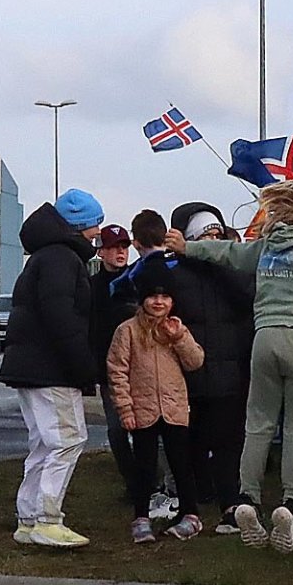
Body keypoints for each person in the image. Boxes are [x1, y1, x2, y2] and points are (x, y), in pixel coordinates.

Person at [165, 173, 293, 554]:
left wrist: (187, 248)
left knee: (258, 421)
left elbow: (228, 253)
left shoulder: (267, 244)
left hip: (263, 337)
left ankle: (247, 498)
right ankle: (290, 502)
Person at [0, 188, 103, 548]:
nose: (97, 233)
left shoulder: (44, 256)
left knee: (43, 444)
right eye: (95, 225)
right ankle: (46, 519)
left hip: (31, 367)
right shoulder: (63, 259)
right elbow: (62, 317)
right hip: (52, 369)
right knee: (68, 440)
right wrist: (84, 366)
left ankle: (28, 518)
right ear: (80, 226)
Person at [169, 202, 254, 534]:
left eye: (218, 234)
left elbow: (248, 299)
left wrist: (223, 263)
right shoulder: (175, 274)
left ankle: (231, 505)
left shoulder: (234, 270)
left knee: (228, 443)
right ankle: (192, 501)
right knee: (189, 442)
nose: (214, 240)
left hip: (231, 374)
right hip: (189, 374)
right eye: (206, 236)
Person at [106, 259, 204, 543]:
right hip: (142, 409)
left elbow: (195, 361)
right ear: (142, 299)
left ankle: (190, 514)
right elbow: (117, 371)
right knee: (144, 467)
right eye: (152, 296)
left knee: (181, 464)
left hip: (174, 408)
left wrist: (180, 337)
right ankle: (141, 517)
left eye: (164, 297)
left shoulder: (176, 329)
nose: (158, 302)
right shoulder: (127, 331)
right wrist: (125, 409)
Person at [110, 208, 180, 519]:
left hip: (146, 354)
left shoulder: (137, 273)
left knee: (151, 440)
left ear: (136, 242)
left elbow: (115, 291)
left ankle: (156, 492)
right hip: (179, 353)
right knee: (178, 436)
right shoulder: (181, 263)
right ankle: (182, 494)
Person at [89, 223, 136, 500]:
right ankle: (132, 481)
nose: (120, 252)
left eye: (124, 247)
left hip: (138, 365)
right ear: (101, 252)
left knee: (144, 426)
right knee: (117, 429)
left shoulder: (136, 280)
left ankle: (149, 481)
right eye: (113, 247)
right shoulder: (92, 286)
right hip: (109, 369)